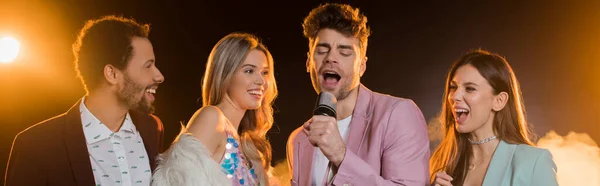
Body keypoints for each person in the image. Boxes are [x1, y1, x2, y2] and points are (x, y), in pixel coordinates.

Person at [5, 15, 165, 186]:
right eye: (148, 66)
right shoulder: (35, 147)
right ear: (112, 74)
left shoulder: (152, 129)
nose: (159, 76)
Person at [286, 3, 430, 186]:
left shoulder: (398, 114)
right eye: (322, 51)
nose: (331, 58)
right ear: (308, 62)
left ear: (362, 65)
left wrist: (340, 155)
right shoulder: (298, 139)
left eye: (345, 52)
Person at [152, 33, 278, 186]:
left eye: (265, 72)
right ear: (225, 74)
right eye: (249, 71)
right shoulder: (212, 118)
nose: (261, 81)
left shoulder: (248, 144)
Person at [430, 49, 558, 186]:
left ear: (499, 101)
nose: (454, 96)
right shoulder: (441, 163)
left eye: (470, 89)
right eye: (453, 87)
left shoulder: (534, 162)